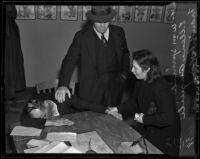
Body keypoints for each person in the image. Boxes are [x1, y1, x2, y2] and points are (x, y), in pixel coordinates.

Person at [55, 6, 130, 113]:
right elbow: (69, 61)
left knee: (112, 117)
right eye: (99, 22)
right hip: (91, 88)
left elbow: (125, 54)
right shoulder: (82, 36)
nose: (103, 25)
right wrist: (63, 84)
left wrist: (124, 74)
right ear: (92, 20)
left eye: (106, 21)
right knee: (91, 119)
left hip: (115, 85)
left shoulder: (119, 32)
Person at [106, 49, 180, 156]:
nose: (132, 70)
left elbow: (168, 118)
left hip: (164, 137)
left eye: (135, 68)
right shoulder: (140, 81)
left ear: (146, 69)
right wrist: (117, 109)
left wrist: (144, 119)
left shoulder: (161, 87)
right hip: (149, 128)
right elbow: (134, 102)